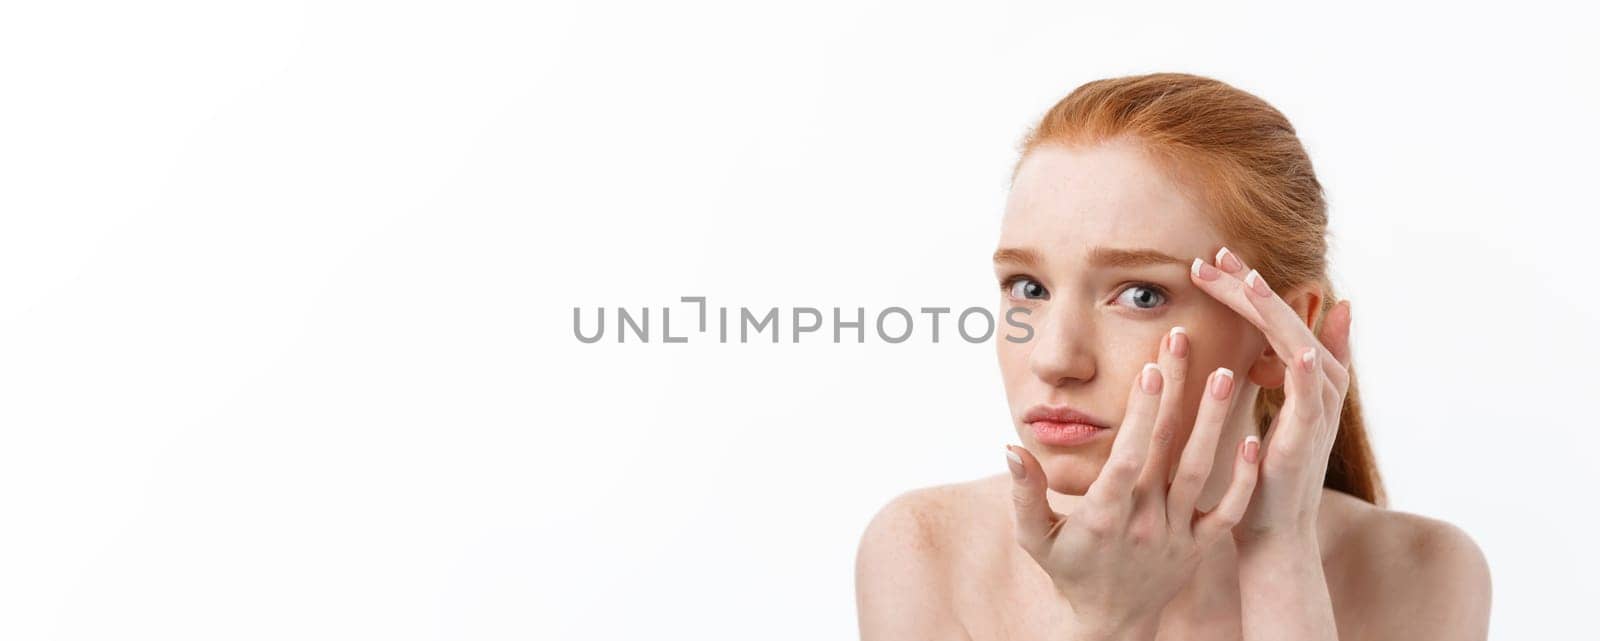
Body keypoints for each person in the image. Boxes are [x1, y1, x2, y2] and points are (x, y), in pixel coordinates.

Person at [854, 73, 1490, 640]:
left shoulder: (1422, 574)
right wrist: (1107, 623)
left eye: (1140, 294)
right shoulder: (923, 552)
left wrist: (1277, 551)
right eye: (1028, 287)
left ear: (1280, 332)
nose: (1054, 359)